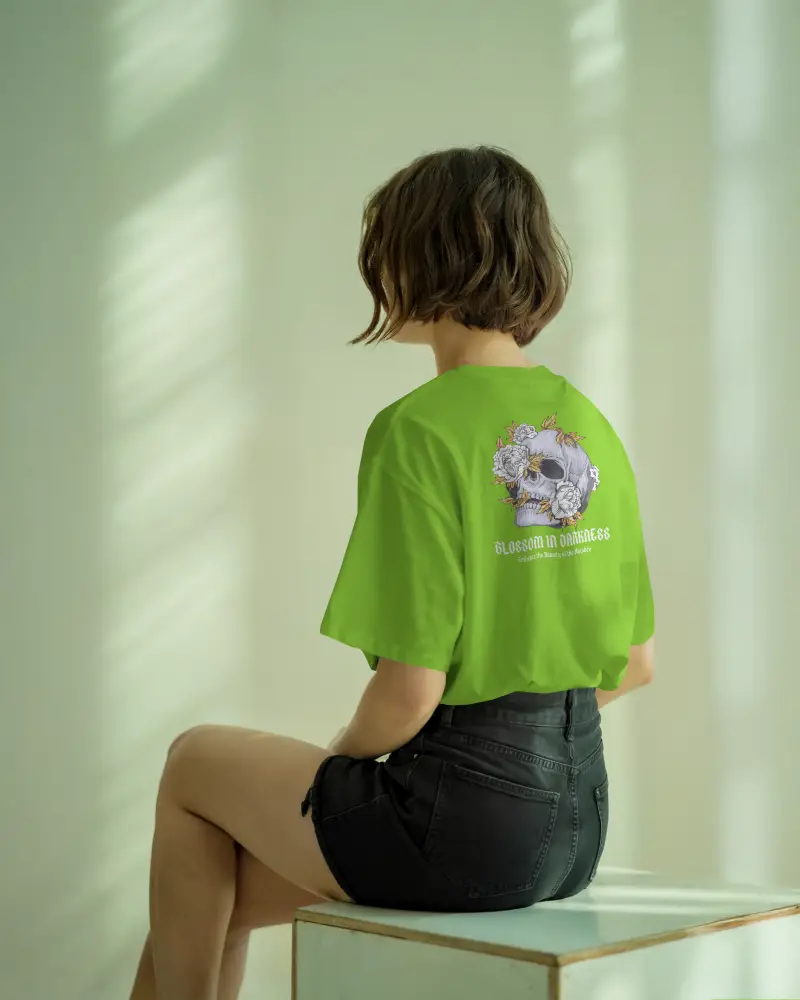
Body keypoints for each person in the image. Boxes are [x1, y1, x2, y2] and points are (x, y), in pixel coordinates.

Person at [129, 145, 655, 1000]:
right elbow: (635, 665)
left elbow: (409, 694)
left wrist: (337, 773)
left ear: (421, 257)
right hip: (574, 833)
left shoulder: (417, 430)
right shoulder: (589, 425)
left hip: (456, 829)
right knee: (207, 890)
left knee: (193, 764)